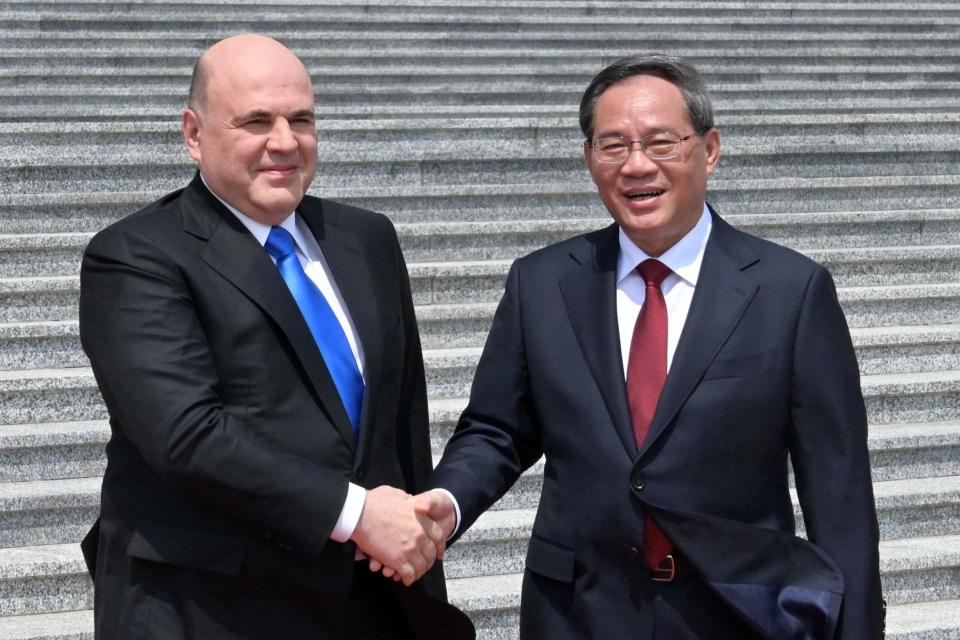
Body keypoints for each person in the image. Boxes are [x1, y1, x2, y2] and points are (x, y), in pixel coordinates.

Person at [416, 54, 885, 638]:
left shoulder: (790, 292)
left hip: (733, 614)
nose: (637, 165)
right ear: (589, 159)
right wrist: (446, 502)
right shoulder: (540, 283)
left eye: (661, 143)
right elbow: (497, 430)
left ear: (709, 149)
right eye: (613, 145)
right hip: (575, 614)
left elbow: (837, 490)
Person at [78, 34, 473, 640]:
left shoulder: (366, 238)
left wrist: (415, 553)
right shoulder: (136, 256)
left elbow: (399, 428)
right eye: (256, 121)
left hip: (367, 600)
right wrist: (357, 513)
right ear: (193, 133)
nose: (285, 142)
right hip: (211, 604)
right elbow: (186, 436)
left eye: (302, 120)